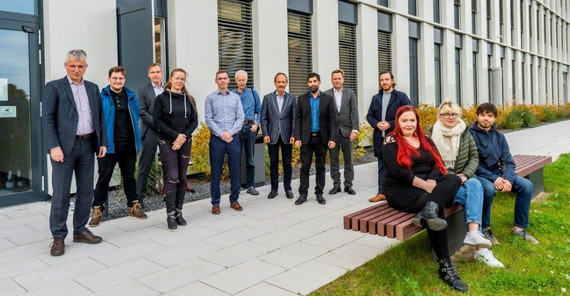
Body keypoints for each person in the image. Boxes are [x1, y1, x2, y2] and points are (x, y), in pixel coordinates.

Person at [382, 105, 467, 291]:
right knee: (438, 207)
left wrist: (431, 180)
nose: (409, 124)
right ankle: (445, 267)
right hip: (402, 189)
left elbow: (438, 163)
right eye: (404, 120)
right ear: (397, 122)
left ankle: (428, 210)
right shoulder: (390, 140)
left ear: (417, 121)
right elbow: (397, 173)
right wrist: (426, 185)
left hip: (429, 184)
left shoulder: (425, 138)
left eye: (412, 120)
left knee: (453, 178)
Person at [42, 49, 107, 256]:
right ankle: (58, 237)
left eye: (80, 66)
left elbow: (99, 117)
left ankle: (79, 230)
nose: (76, 70)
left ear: (85, 67)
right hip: (63, 148)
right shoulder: (54, 87)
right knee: (60, 193)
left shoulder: (92, 88)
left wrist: (102, 142)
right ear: (66, 66)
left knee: (86, 191)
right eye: (73, 66)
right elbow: (47, 119)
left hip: (88, 146)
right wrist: (54, 146)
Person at [431, 100, 503, 267]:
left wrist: (467, 174)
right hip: (444, 182)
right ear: (440, 116)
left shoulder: (465, 132)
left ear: (458, 115)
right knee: (473, 197)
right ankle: (481, 249)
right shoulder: (432, 134)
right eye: (446, 114)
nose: (450, 117)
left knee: (476, 185)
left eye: (454, 114)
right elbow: (432, 163)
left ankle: (473, 234)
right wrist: (453, 178)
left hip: (464, 177)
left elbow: (474, 157)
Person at [469, 102, 539, 244]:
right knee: (488, 190)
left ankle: (519, 229)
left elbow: (508, 161)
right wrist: (494, 178)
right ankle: (484, 229)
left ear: (495, 118)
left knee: (526, 185)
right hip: (478, 174)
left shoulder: (499, 137)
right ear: (477, 116)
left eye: (490, 116)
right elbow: (472, 163)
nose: (486, 118)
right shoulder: (469, 135)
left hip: (497, 172)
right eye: (482, 115)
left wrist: (508, 179)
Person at [89, 66, 144, 227]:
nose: (117, 81)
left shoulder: (131, 97)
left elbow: (136, 119)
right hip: (108, 146)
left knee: (129, 176)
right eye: (115, 78)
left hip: (128, 145)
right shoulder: (102, 97)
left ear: (124, 80)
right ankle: (97, 209)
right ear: (109, 79)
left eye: (120, 78)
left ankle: (133, 205)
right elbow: (96, 123)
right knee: (103, 179)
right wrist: (99, 144)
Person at [153, 68, 198, 230]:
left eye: (182, 79)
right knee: (171, 177)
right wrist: (175, 136)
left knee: (182, 177)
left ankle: (179, 212)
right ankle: (170, 214)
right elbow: (157, 121)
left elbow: (194, 122)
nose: (179, 81)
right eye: (177, 78)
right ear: (171, 79)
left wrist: (183, 137)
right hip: (167, 142)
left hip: (184, 142)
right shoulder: (161, 99)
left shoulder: (189, 99)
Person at [293, 72, 338, 205]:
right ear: (308, 84)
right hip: (306, 139)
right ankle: (303, 194)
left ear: (319, 82)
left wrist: (332, 138)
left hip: (321, 138)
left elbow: (333, 120)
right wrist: (297, 137)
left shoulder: (328, 99)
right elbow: (298, 119)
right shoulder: (301, 99)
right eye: (310, 82)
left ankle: (319, 193)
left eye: (314, 81)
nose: (312, 84)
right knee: (305, 167)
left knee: (320, 167)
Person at [366, 71, 411, 202]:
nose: (384, 82)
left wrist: (390, 124)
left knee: (398, 166)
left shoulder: (401, 97)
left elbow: (409, 115)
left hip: (396, 138)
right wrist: (376, 124)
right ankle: (382, 192)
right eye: (381, 80)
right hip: (380, 138)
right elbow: (369, 116)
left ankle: (399, 192)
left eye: (386, 79)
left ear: (392, 80)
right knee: (381, 166)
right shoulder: (376, 98)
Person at [205, 70, 245, 214]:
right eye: (220, 79)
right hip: (217, 138)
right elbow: (208, 119)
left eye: (225, 78)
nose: (222, 81)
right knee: (216, 171)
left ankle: (234, 200)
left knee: (235, 170)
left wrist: (230, 132)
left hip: (233, 137)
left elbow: (240, 117)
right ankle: (215, 203)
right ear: (216, 81)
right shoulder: (210, 98)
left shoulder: (235, 98)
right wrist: (222, 133)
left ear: (229, 80)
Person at [260, 72, 296, 199]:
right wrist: (265, 133)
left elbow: (294, 119)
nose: (281, 84)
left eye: (283, 82)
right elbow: (263, 118)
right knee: (273, 163)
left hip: (287, 136)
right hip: (272, 136)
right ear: (275, 83)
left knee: (287, 163)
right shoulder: (267, 98)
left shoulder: (291, 98)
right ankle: (274, 189)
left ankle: (288, 189)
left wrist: (293, 134)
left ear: (286, 83)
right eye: (279, 82)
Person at [324, 69, 359, 195]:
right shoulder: (326, 94)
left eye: (339, 78)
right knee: (334, 160)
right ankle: (336, 185)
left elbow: (354, 112)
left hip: (347, 131)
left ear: (343, 79)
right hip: (332, 134)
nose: (337, 81)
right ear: (331, 80)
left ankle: (348, 185)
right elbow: (324, 116)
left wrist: (354, 130)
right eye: (335, 79)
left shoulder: (350, 93)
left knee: (348, 160)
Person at [136, 63, 164, 204]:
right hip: (150, 131)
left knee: (169, 164)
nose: (155, 74)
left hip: (167, 133)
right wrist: (158, 125)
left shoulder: (169, 88)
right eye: (152, 72)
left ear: (162, 73)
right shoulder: (143, 90)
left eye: (157, 72)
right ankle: (138, 199)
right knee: (144, 165)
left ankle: (169, 195)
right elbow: (142, 112)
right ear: (149, 74)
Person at [232, 70, 262, 196]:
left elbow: (260, 110)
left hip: (250, 127)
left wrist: (257, 124)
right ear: (236, 81)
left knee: (250, 159)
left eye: (243, 79)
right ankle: (237, 186)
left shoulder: (253, 92)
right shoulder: (231, 94)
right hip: (237, 129)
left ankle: (251, 186)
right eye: (239, 80)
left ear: (246, 80)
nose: (241, 82)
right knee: (236, 159)